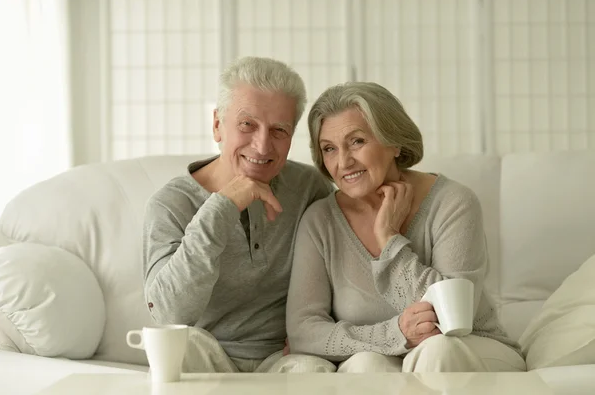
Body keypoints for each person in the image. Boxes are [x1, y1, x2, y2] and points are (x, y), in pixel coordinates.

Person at [283, 82, 526, 373]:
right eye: (329, 149)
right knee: (364, 365)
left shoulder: (453, 202)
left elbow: (451, 320)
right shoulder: (319, 221)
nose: (344, 162)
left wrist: (389, 240)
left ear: (394, 142)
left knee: (436, 350)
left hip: (469, 349)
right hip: (379, 355)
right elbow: (303, 332)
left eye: (357, 141)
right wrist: (396, 334)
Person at [142, 56, 334, 373]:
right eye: (247, 125)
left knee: (315, 371)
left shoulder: (309, 188)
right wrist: (222, 207)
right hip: (206, 358)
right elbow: (168, 316)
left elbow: (340, 275)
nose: (261, 147)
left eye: (278, 130)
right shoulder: (170, 204)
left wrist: (313, 336)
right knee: (182, 348)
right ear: (218, 125)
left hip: (285, 358)